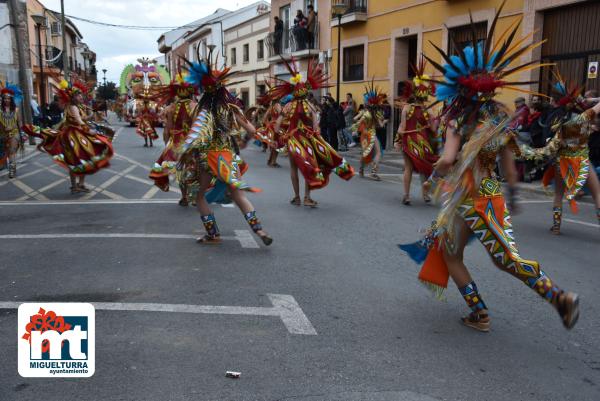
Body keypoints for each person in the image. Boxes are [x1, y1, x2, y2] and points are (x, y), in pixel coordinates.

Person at [400, 5, 579, 333]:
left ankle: (504, 307)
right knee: (497, 259)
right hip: (490, 196)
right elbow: (510, 165)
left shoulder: (458, 118)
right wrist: (512, 195)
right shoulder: (499, 117)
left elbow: (449, 158)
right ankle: (532, 302)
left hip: (465, 199)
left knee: (458, 256)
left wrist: (433, 177)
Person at [176, 54, 272, 246]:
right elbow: (252, 130)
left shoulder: (200, 111)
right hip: (228, 157)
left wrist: (185, 154)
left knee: (200, 196)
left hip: (207, 158)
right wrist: (256, 139)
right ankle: (259, 230)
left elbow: (195, 135)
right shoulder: (231, 108)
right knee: (239, 195)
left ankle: (213, 234)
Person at [272, 58, 354, 207]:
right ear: (304, 93)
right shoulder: (309, 105)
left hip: (291, 140)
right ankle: (307, 197)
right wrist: (317, 134)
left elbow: (277, 125)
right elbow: (316, 123)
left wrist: (277, 137)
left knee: (294, 168)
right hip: (307, 140)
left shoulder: (288, 106)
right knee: (309, 165)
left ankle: (296, 197)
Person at [525, 79, 600, 234]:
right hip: (581, 160)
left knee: (559, 194)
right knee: (597, 193)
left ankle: (557, 226)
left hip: (563, 161)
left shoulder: (557, 120)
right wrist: (589, 100)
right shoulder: (582, 116)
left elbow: (549, 142)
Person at [23, 79, 113, 193]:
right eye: (78, 95)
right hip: (73, 135)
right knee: (75, 160)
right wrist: (89, 126)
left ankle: (80, 184)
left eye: (81, 95)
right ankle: (74, 185)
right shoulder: (73, 107)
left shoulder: (79, 106)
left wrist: (92, 115)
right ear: (73, 97)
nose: (81, 97)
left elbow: (83, 119)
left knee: (84, 159)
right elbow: (79, 121)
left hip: (79, 134)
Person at [149, 73, 198, 205]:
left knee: (181, 170)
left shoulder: (170, 108)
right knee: (195, 169)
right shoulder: (195, 106)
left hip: (176, 143)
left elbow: (167, 130)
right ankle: (194, 196)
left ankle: (184, 197)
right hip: (191, 142)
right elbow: (196, 128)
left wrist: (167, 145)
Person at [394, 62, 438, 205]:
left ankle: (406, 195)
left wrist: (398, 140)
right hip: (423, 142)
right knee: (424, 167)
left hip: (408, 141)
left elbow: (402, 127)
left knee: (408, 168)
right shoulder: (429, 110)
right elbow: (433, 130)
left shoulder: (406, 108)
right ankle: (425, 195)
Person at [353, 84, 385, 180]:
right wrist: (382, 121)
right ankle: (373, 172)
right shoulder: (376, 113)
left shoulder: (364, 112)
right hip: (371, 134)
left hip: (365, 134)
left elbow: (355, 120)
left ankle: (362, 169)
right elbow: (381, 125)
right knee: (377, 152)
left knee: (366, 153)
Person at [0, 81, 23, 178]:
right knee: (7, 152)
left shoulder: (16, 110)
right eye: (4, 98)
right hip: (3, 134)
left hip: (14, 133)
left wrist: (17, 130)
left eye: (8, 98)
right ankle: (12, 166)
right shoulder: (0, 110)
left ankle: (11, 171)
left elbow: (20, 123)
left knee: (12, 151)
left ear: (11, 99)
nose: (6, 100)